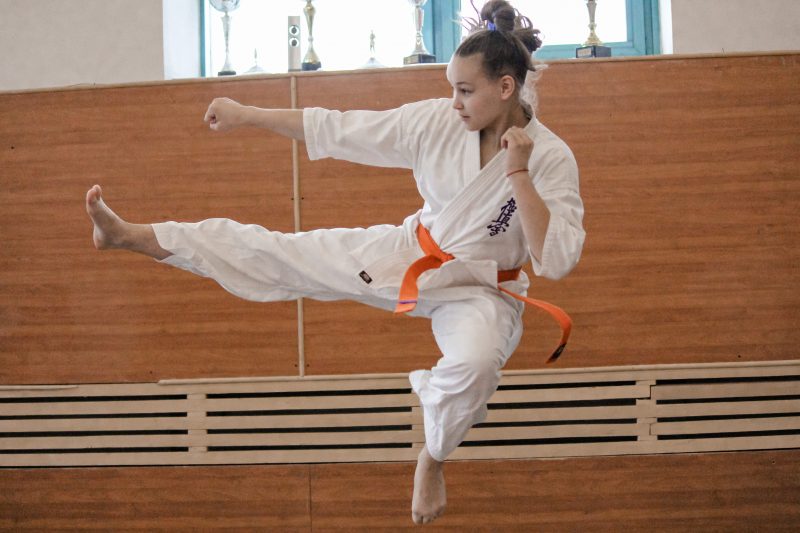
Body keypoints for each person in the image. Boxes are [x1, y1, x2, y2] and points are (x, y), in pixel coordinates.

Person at [85, 0, 584, 525]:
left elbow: (555, 260)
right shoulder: (436, 122)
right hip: (411, 253)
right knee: (281, 252)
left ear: (504, 88)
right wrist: (248, 114)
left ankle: (433, 457)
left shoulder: (551, 158)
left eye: (465, 91)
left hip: (484, 292)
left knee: (476, 365)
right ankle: (133, 236)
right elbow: (343, 129)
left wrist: (518, 173)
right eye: (451, 89)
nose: (453, 103)